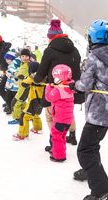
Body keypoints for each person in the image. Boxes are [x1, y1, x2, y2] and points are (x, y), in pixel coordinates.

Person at [70, 19, 108, 200]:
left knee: (85, 150)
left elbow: (84, 84)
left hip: (98, 111)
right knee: (92, 146)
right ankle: (90, 170)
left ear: (92, 37)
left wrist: (73, 85)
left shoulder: (94, 57)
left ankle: (102, 192)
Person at [32, 19, 83, 150]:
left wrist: (36, 79)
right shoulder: (75, 50)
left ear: (51, 37)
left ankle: (55, 141)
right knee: (67, 112)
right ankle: (72, 135)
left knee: (51, 115)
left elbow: (42, 71)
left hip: (55, 89)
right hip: (71, 89)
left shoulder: (50, 50)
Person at [45, 64, 74, 162]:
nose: (54, 80)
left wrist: (49, 87)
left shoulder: (59, 90)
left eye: (56, 78)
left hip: (60, 119)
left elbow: (48, 97)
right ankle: (59, 150)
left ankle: (59, 156)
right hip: (68, 119)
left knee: (56, 137)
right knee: (62, 136)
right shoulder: (69, 88)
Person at [13, 62, 44, 140]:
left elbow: (24, 84)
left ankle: (22, 134)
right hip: (42, 100)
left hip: (34, 100)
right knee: (36, 114)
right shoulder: (44, 76)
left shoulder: (32, 77)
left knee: (24, 116)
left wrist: (24, 78)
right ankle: (38, 128)